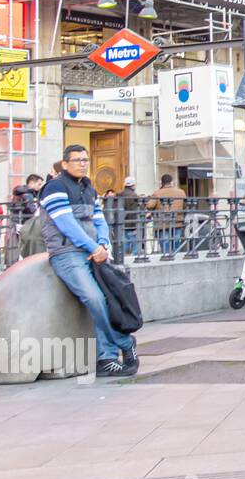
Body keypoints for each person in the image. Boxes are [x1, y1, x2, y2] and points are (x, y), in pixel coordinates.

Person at [40, 144, 137, 377]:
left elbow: (99, 219)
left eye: (85, 160)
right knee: (93, 298)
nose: (82, 163)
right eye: (77, 160)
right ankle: (124, 343)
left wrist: (103, 243)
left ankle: (106, 359)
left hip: (93, 253)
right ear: (64, 164)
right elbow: (66, 224)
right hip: (66, 254)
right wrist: (94, 247)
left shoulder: (88, 187)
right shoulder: (53, 187)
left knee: (108, 299)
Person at [146, 174, 186, 256]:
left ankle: (167, 258)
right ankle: (177, 258)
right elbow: (185, 206)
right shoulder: (181, 192)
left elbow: (149, 206)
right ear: (171, 182)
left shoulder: (157, 193)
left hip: (162, 223)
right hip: (177, 221)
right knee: (176, 241)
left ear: (162, 183)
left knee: (165, 243)